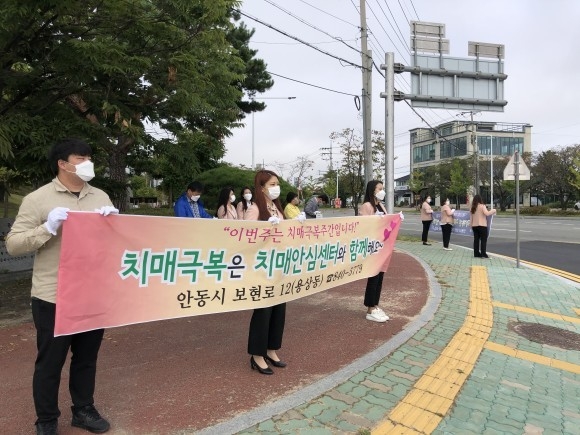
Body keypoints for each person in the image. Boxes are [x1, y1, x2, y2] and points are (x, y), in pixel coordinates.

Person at [6, 138, 115, 435]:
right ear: (62, 164)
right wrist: (47, 227)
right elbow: (14, 244)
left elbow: (114, 245)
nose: (88, 163)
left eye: (89, 157)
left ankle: (83, 410)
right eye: (81, 158)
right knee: (50, 362)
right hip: (54, 294)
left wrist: (115, 227)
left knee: (86, 358)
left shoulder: (100, 197)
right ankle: (46, 419)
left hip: (92, 293)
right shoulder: (38, 199)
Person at [244, 169, 287, 375]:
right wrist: (265, 229)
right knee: (263, 311)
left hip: (279, 266)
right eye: (272, 184)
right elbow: (246, 236)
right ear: (261, 188)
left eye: (277, 184)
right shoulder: (254, 209)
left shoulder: (277, 208)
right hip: (262, 268)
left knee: (279, 309)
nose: (276, 188)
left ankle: (271, 349)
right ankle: (257, 355)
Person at [359, 180, 390, 323]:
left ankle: (375, 305)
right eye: (379, 188)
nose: (382, 191)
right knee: (373, 277)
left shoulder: (380, 205)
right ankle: (370, 308)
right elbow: (363, 226)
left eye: (382, 188)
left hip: (382, 247)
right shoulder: (367, 206)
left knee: (379, 277)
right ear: (372, 190)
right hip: (372, 247)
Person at [470, 194, 497, 259]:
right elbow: (487, 213)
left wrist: (471, 225)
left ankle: (476, 254)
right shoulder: (482, 206)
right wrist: (493, 210)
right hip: (482, 225)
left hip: (474, 226)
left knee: (476, 240)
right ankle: (483, 254)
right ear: (480, 199)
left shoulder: (472, 207)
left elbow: (471, 218)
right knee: (483, 240)